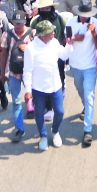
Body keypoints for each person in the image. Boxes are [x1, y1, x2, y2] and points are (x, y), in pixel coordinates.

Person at [24, 19, 69, 150]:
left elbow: (65, 56)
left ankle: (55, 131)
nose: (54, 33)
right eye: (51, 31)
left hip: (55, 86)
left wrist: (69, 44)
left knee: (59, 112)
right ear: (43, 34)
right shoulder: (31, 48)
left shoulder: (54, 42)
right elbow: (27, 71)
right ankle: (43, 136)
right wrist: (28, 91)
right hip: (38, 88)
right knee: (39, 114)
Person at [65, 0, 97, 146]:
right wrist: (75, 37)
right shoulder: (70, 22)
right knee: (80, 90)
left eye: (87, 15)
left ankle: (87, 130)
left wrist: (93, 33)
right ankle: (85, 107)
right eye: (82, 14)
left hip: (90, 66)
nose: (85, 17)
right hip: (75, 65)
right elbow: (67, 40)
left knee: (89, 95)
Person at [1, 11, 33, 142]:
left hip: (29, 73)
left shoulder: (32, 34)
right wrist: (2, 73)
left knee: (34, 96)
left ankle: (32, 109)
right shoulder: (6, 35)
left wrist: (29, 48)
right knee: (16, 102)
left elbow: (40, 52)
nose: (17, 26)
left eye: (20, 23)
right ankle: (19, 129)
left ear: (25, 22)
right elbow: (3, 55)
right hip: (13, 73)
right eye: (15, 23)